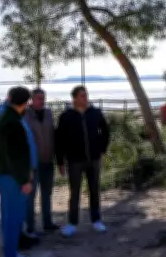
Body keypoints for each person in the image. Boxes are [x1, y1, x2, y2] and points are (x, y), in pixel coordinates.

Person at [55, 86, 111, 237]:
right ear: (74, 99)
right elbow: (59, 140)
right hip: (74, 161)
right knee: (75, 193)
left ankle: (96, 220)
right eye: (82, 96)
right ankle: (72, 223)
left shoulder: (96, 113)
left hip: (94, 159)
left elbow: (105, 131)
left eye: (86, 95)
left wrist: (102, 149)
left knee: (94, 191)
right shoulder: (66, 116)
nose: (85, 98)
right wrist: (60, 161)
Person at [0, 86, 35, 257]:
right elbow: (16, 155)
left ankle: (11, 253)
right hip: (12, 178)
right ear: (25, 103)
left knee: (8, 217)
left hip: (3, 174)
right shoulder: (13, 122)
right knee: (13, 219)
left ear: (9, 98)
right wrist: (25, 180)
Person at [24, 88, 59, 235]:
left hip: (48, 161)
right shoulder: (25, 115)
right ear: (32, 99)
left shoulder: (49, 114)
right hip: (33, 164)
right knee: (30, 197)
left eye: (43, 98)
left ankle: (47, 222)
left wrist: (59, 159)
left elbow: (54, 135)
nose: (42, 101)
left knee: (47, 194)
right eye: (39, 98)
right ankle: (30, 226)